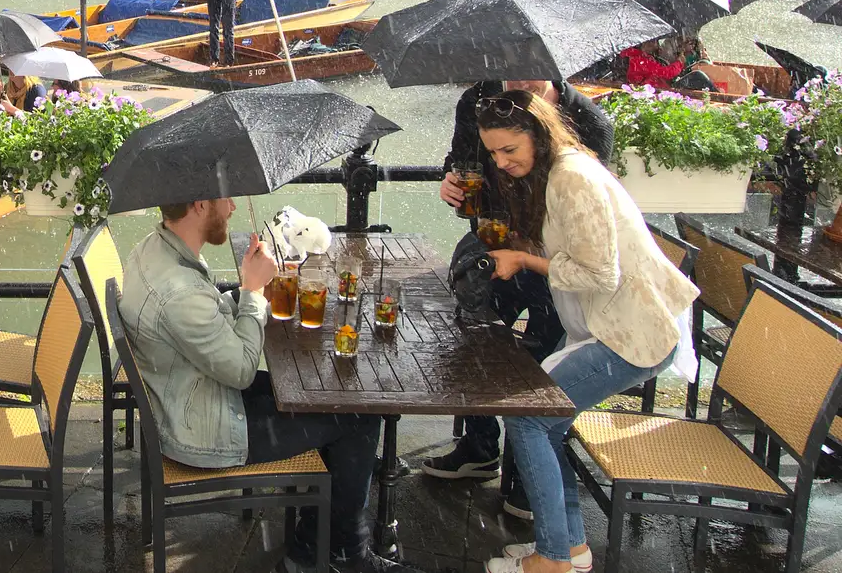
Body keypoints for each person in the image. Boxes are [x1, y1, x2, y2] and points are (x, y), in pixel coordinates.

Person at [118, 197, 421, 573]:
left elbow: (201, 322)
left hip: (190, 394)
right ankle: (343, 554)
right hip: (206, 431)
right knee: (358, 412)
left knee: (321, 395)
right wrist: (251, 292)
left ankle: (314, 541)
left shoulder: (154, 249)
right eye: (223, 199)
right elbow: (242, 369)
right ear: (199, 205)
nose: (230, 207)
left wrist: (246, 294)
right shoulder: (179, 290)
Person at [475, 91, 697, 573]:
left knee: (529, 418)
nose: (501, 161)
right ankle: (570, 546)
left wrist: (524, 259)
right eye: (493, 152)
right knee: (544, 420)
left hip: (632, 331)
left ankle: (553, 558)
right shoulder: (560, 169)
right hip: (611, 324)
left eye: (509, 150)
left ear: (536, 134)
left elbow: (600, 275)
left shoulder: (572, 178)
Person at [425, 79, 612, 515]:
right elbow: (463, 164)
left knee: (543, 368)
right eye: (508, 74)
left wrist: (531, 243)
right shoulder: (475, 100)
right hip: (492, 249)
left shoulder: (588, 120)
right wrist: (451, 183)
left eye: (529, 74)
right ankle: (479, 448)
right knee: (474, 343)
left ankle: (526, 475)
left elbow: (591, 207)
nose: (517, 81)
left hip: (553, 263)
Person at [614, 38, 683, 90]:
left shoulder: (639, 57)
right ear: (646, 43)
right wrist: (679, 62)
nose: (657, 46)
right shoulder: (638, 60)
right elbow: (666, 72)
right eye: (655, 42)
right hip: (644, 93)